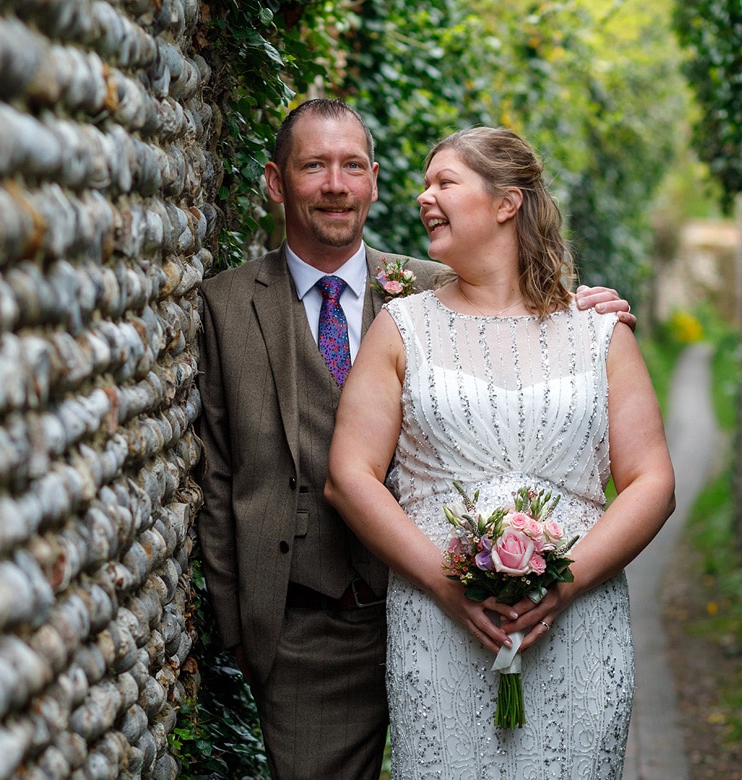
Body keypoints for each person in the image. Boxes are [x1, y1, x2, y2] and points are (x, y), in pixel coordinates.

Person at [193, 101, 638, 779]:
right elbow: (220, 474)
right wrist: (243, 623)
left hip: (453, 610)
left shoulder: (439, 284)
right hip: (317, 628)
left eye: (351, 167)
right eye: (314, 166)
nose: (336, 184)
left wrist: (595, 309)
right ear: (277, 181)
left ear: (372, 180)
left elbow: (524, 307)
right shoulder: (226, 306)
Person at [325, 126, 676, 778]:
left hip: (579, 627)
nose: (424, 197)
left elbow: (652, 479)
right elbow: (350, 476)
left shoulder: (599, 330)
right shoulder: (402, 328)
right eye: (426, 184)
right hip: (438, 625)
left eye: (444, 182)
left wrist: (564, 581)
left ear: (506, 203)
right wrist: (443, 583)